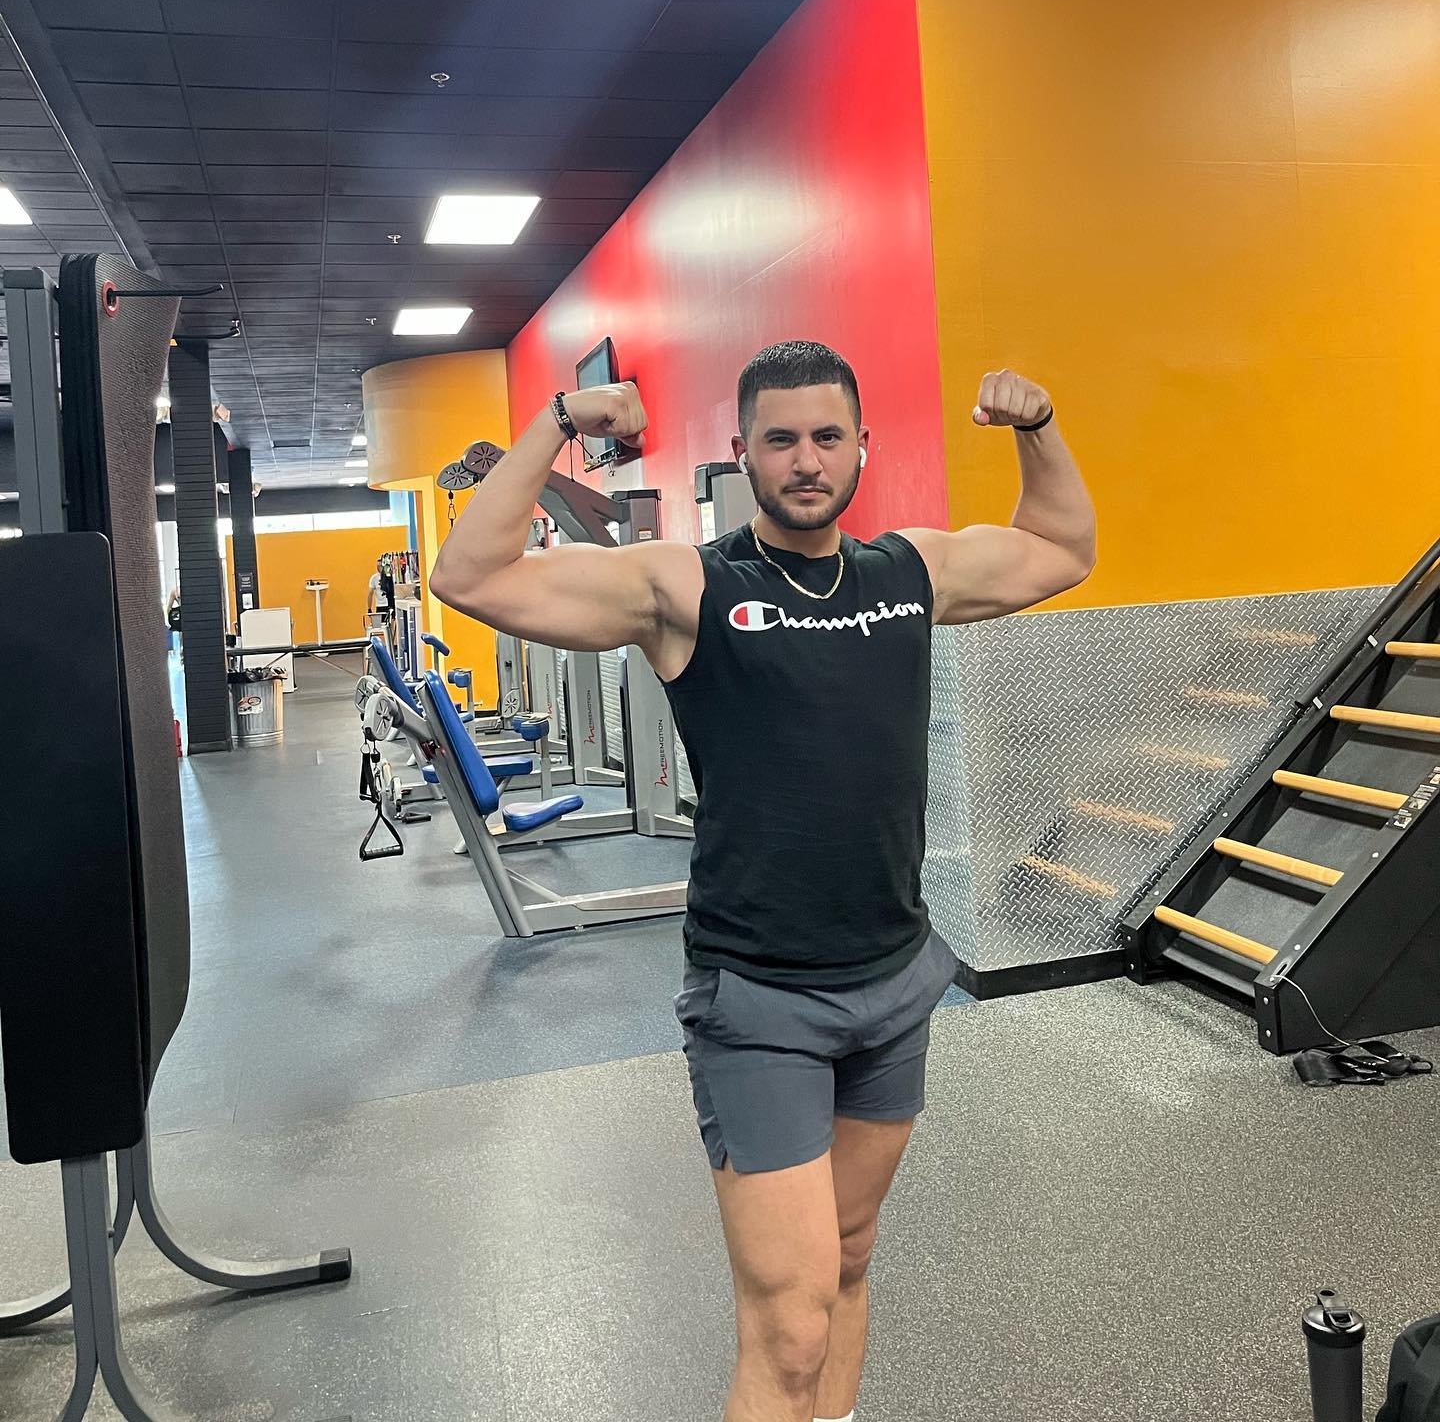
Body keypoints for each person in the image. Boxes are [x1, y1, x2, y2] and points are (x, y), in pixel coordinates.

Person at [431, 341, 1096, 1422]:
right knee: (789, 1325)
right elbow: (469, 577)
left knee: (848, 1256)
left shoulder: (907, 573)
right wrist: (558, 419)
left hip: (895, 980)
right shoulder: (689, 586)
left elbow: (1062, 548)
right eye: (781, 439)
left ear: (863, 446)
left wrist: (1039, 428)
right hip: (761, 999)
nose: (806, 460)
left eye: (828, 437)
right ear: (743, 453)